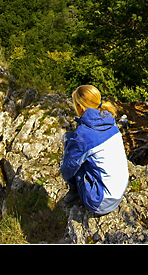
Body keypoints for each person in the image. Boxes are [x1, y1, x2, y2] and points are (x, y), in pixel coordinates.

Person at [60, 85, 129, 215]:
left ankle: (74, 191)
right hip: (119, 190)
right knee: (86, 154)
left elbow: (68, 168)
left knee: (69, 140)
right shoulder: (109, 120)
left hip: (100, 202)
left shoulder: (84, 134)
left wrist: (65, 172)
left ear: (80, 107)